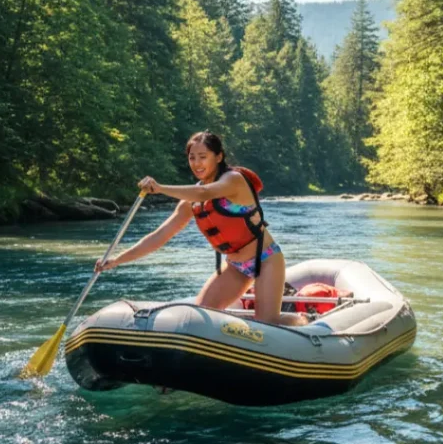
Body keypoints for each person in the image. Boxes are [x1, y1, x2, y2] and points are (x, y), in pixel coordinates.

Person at [94, 131, 307, 326]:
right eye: (192, 157)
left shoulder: (233, 180)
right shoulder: (190, 201)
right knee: (201, 316)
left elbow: (206, 192)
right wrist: (116, 260)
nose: (196, 163)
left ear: (219, 157)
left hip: (266, 259)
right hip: (235, 265)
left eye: (203, 156)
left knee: (267, 323)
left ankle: (303, 322)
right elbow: (160, 236)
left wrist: (159, 189)